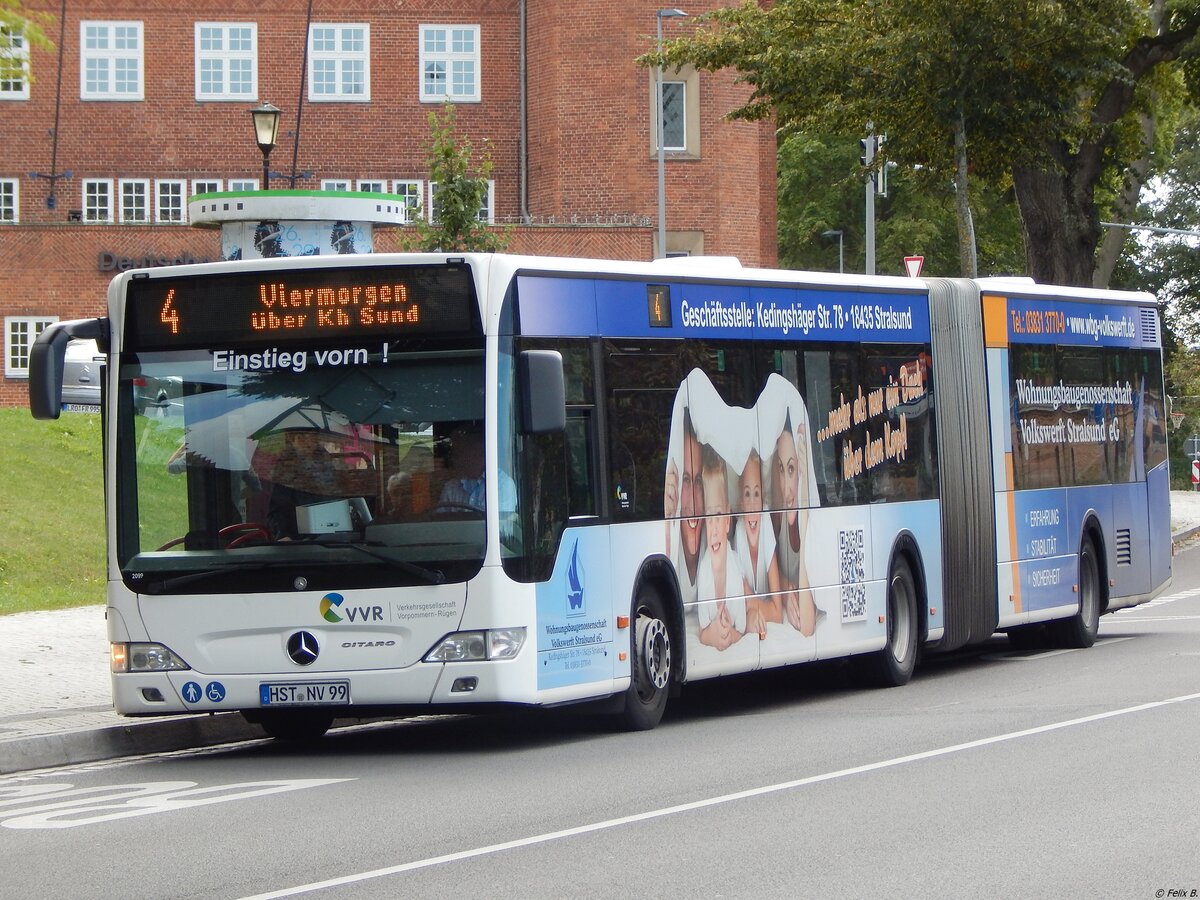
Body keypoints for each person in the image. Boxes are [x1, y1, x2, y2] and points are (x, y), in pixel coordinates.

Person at [695, 445, 748, 650]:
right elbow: (703, 632)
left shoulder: (735, 567)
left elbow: (741, 628)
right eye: (708, 518)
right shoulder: (704, 571)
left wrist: (729, 636)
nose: (714, 529)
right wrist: (715, 634)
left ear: (727, 520)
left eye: (717, 516)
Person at [435, 425, 515, 514]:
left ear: (477, 454)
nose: (453, 460)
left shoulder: (501, 484)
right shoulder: (451, 487)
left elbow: (500, 524)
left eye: (458, 454)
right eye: (454, 455)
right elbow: (440, 521)